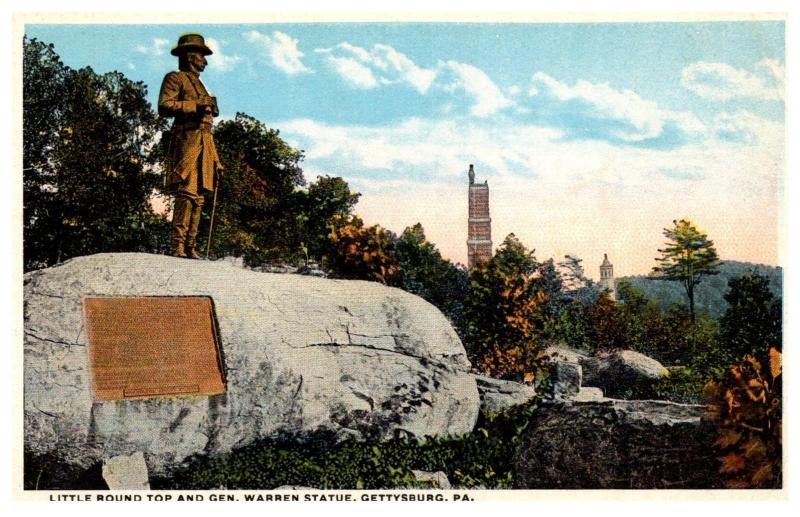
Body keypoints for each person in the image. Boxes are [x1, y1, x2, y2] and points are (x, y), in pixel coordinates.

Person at [158, 33, 224, 258]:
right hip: (187, 141)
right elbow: (164, 105)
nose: (204, 60)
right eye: (200, 55)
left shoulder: (201, 85)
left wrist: (216, 159)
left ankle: (190, 246)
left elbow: (208, 128)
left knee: (199, 197)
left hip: (205, 143)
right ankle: (177, 245)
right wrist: (195, 104)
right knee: (186, 193)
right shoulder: (175, 78)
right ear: (188, 56)